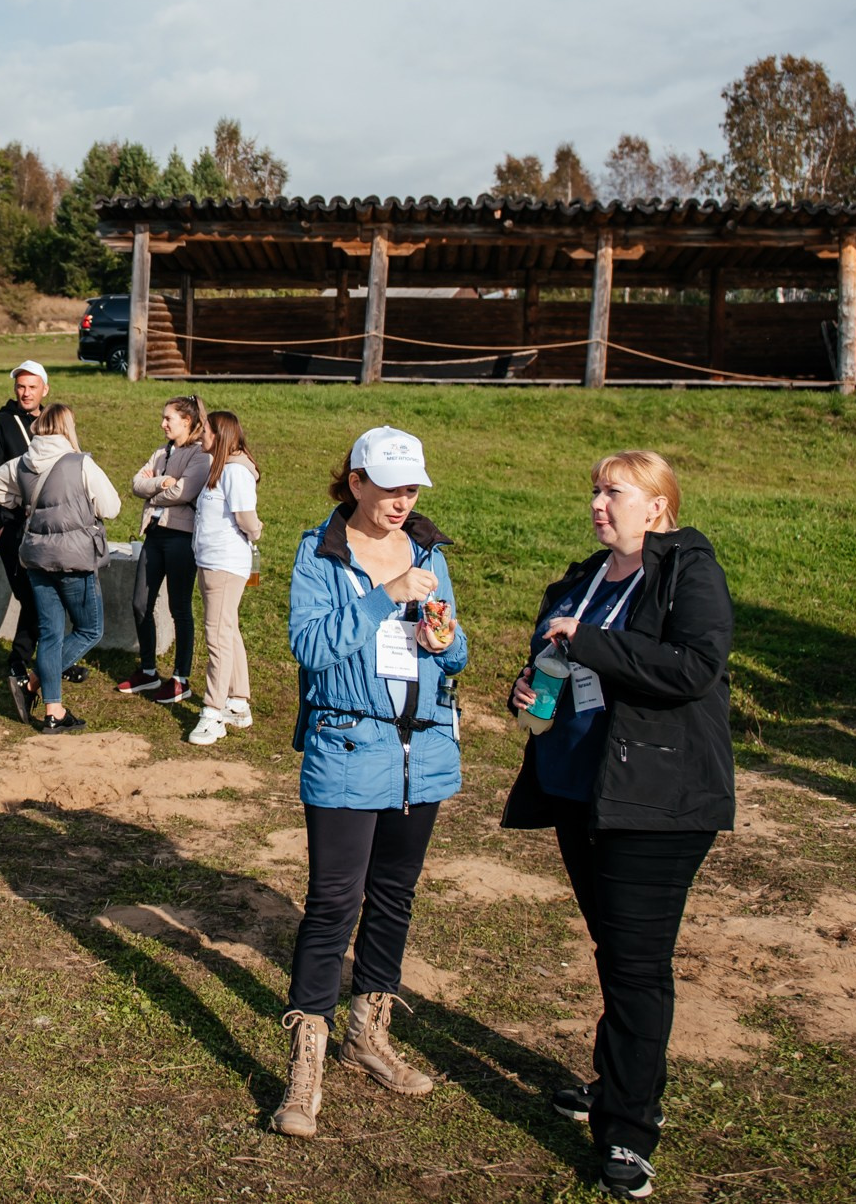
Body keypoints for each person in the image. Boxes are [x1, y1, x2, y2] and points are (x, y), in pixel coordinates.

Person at [500, 451, 734, 1201]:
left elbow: (694, 666)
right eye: (594, 490)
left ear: (657, 508)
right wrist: (530, 685)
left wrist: (589, 643)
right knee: (617, 950)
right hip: (581, 792)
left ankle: (630, 1128)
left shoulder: (685, 569)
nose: (598, 504)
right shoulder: (583, 580)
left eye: (614, 493)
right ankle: (616, 1082)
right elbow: (560, 664)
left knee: (637, 964)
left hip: (657, 802)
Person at [271, 425, 465, 1138]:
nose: (402, 502)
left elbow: (456, 648)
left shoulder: (429, 553)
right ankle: (306, 1065)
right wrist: (384, 596)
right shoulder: (320, 553)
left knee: (393, 897)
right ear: (355, 483)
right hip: (348, 748)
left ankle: (369, 1034)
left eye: (412, 489)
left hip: (424, 751)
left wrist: (445, 639)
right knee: (332, 903)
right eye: (389, 489)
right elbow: (312, 647)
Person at [0, 403, 121, 733]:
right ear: (68, 427)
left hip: (35, 557)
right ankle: (31, 684)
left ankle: (54, 712)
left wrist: (22, 503)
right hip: (74, 559)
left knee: (50, 634)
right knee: (89, 629)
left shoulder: (23, 463)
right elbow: (112, 507)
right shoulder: (80, 463)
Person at [124, 394, 211, 704]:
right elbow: (136, 484)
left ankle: (180, 678)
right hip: (154, 534)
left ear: (186, 422)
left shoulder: (201, 454)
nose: (162, 424)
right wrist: (161, 484)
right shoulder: (161, 452)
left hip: (181, 538)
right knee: (139, 603)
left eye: (168, 419)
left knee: (179, 608)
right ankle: (148, 671)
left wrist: (154, 490)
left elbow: (184, 490)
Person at [189, 409, 262, 745]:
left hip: (225, 564)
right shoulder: (217, 469)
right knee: (227, 629)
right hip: (211, 562)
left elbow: (247, 518)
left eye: (205, 430)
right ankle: (238, 702)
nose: (200, 434)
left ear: (220, 435)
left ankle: (212, 713)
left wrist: (256, 529)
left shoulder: (235, 473)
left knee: (216, 635)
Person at [0, 360, 49, 704]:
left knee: (46, 595)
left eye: (32, 387)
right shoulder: (0, 425)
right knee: (30, 594)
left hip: (49, 525)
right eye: (21, 387)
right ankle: (19, 664)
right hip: (12, 525)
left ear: (44, 390)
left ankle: (46, 663)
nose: (25, 393)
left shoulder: (53, 422)